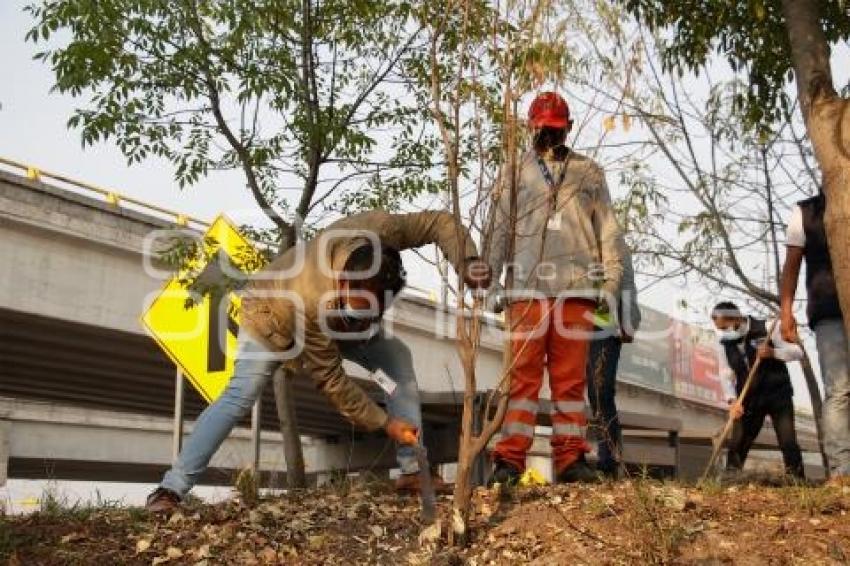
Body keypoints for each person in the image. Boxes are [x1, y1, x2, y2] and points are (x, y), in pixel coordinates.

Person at [146, 210, 491, 512]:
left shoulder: (382, 229)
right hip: (271, 312)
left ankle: (413, 471)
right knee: (241, 394)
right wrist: (386, 423)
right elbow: (332, 381)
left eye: (375, 311)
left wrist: (467, 261)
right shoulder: (310, 299)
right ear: (343, 283)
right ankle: (171, 488)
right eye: (359, 310)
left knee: (396, 359)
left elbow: (439, 221)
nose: (368, 319)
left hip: (332, 319)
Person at [486, 91, 624, 485]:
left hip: (576, 290)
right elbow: (499, 225)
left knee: (569, 383)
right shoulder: (513, 170)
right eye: (541, 129)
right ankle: (510, 459)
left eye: (554, 129)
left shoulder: (590, 172)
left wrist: (611, 284)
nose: (547, 135)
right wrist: (490, 279)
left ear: (568, 128)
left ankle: (570, 459)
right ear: (531, 127)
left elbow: (608, 230)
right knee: (522, 379)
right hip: (524, 290)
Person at [781, 192, 849, 481]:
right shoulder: (805, 212)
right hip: (830, 310)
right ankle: (842, 473)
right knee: (839, 390)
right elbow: (792, 265)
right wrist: (786, 312)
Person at [711, 302, 804, 478]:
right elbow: (726, 372)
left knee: (788, 442)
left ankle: (798, 483)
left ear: (736, 318)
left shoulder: (768, 327)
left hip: (778, 394)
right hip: (749, 398)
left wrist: (773, 352)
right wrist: (732, 401)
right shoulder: (723, 342)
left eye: (725, 327)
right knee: (738, 443)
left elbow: (798, 352)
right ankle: (730, 482)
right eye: (719, 328)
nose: (723, 331)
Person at [586, 241, 641, 479]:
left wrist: (629, 320)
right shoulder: (572, 234)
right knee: (574, 388)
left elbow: (627, 284)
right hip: (570, 320)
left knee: (600, 389)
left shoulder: (615, 245)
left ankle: (608, 460)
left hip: (605, 326)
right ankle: (570, 457)